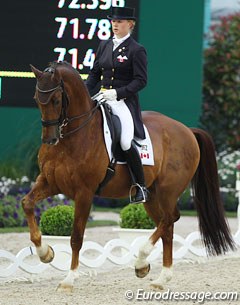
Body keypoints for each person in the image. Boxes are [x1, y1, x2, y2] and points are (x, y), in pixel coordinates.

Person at [86, 6, 149, 204]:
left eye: (119, 21)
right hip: (101, 97)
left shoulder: (136, 50)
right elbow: (95, 74)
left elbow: (141, 80)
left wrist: (117, 93)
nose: (115, 24)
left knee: (124, 140)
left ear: (130, 25)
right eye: (113, 21)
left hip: (123, 102)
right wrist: (86, 96)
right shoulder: (104, 45)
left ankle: (140, 186)